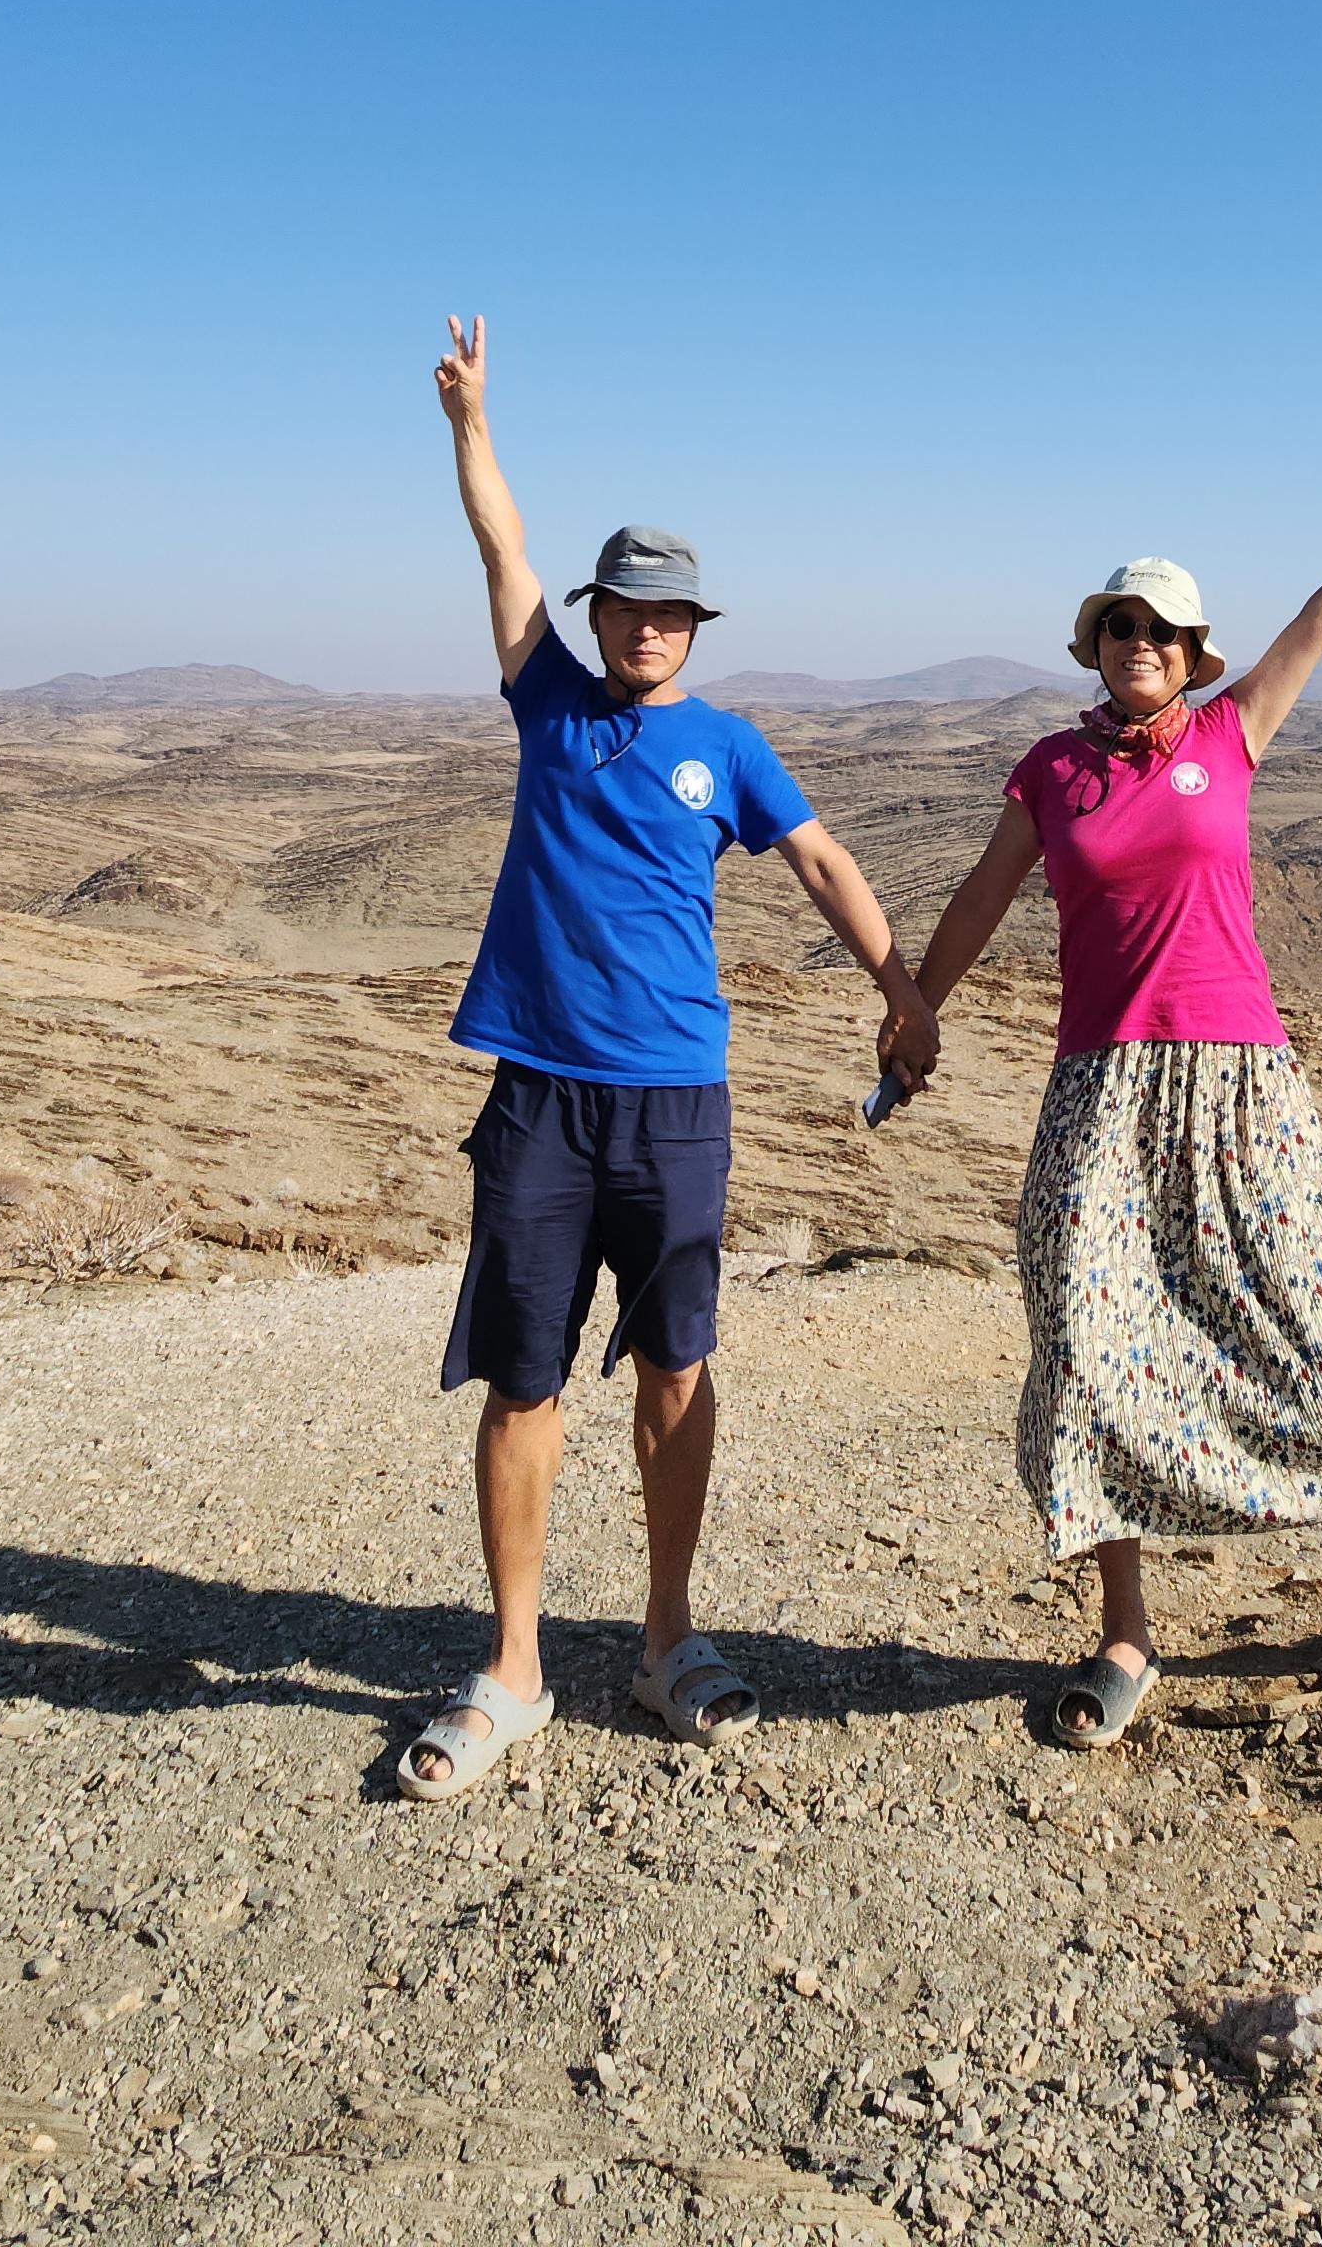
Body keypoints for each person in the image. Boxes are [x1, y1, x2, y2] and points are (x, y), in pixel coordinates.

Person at [901, 484, 1322, 1745]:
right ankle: (1127, 1630)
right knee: (1083, 1339)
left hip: (1239, 1083)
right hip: (1101, 1088)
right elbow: (984, 895)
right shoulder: (1052, 768)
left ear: (1193, 648)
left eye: (1163, 628)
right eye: (1121, 624)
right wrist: (917, 1008)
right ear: (1095, 642)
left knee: (1303, 1328)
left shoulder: (1231, 728)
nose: (1140, 641)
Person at [398, 315, 940, 1798]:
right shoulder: (550, 698)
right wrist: (472, 426)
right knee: (524, 1379)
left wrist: (903, 989)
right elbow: (501, 549)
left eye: (670, 612)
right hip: (541, 1096)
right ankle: (514, 1668)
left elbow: (821, 862)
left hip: (677, 1104)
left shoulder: (731, 747)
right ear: (600, 614)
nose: (647, 628)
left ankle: (666, 1639)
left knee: (676, 1370)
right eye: (628, 606)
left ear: (697, 626)